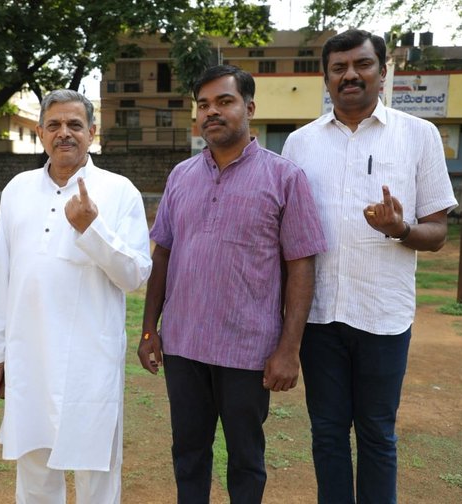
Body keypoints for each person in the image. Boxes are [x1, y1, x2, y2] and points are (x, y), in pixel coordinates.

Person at [281, 29, 458, 504]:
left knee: (378, 434)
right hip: (319, 317)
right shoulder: (299, 144)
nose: (350, 75)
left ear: (384, 72)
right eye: (338, 68)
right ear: (326, 78)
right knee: (328, 434)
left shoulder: (418, 136)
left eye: (362, 65)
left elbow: (438, 232)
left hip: (383, 315)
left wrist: (400, 229)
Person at [138, 65, 327, 503]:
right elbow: (162, 253)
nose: (212, 112)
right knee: (188, 453)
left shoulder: (285, 178)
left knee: (245, 458)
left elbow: (301, 266)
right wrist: (150, 329)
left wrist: (288, 349)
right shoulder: (180, 176)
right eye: (203, 104)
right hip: (183, 345)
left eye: (224, 101)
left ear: (250, 108)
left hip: (247, 351)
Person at [0, 89, 151, 504]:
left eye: (75, 125)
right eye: (54, 125)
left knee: (96, 471)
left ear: (92, 133)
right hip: (30, 354)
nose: (64, 134)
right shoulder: (17, 189)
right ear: (39, 132)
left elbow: (134, 276)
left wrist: (91, 229)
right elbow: (2, 274)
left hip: (89, 360)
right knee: (35, 467)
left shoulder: (118, 190)